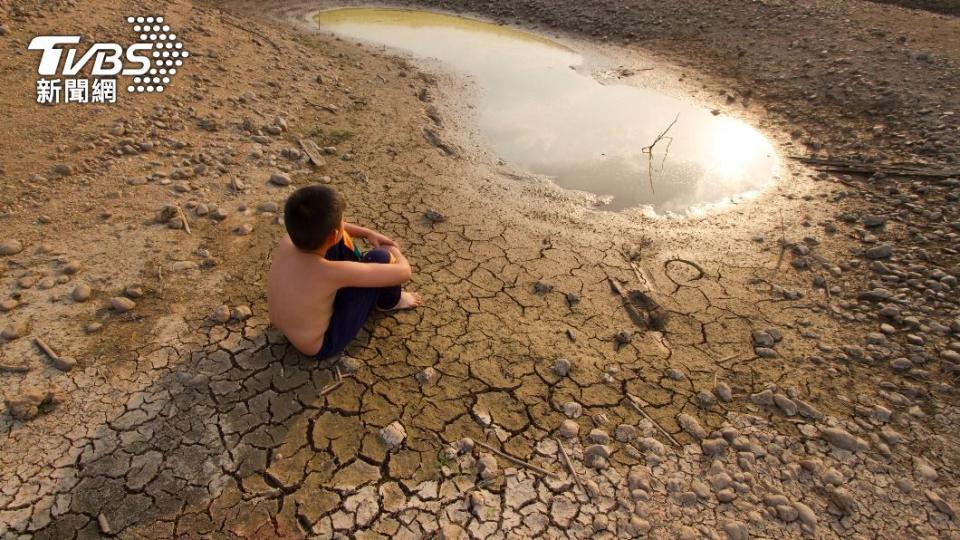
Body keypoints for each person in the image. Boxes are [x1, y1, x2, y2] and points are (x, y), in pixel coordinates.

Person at [267, 185, 421, 358]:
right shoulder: (330, 273)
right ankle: (391, 301)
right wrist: (394, 250)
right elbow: (404, 272)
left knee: (336, 240)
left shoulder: (289, 240)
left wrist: (368, 233)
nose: (344, 223)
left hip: (288, 327)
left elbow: (335, 229)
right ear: (333, 234)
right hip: (321, 344)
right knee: (380, 257)